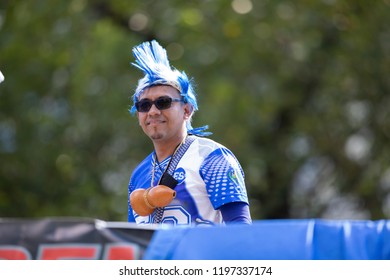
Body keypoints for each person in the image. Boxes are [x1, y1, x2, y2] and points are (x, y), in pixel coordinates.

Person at [127, 40, 251, 226]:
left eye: (163, 102)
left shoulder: (212, 158)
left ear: (187, 110)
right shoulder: (139, 174)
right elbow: (131, 242)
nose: (153, 111)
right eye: (144, 105)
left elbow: (240, 230)